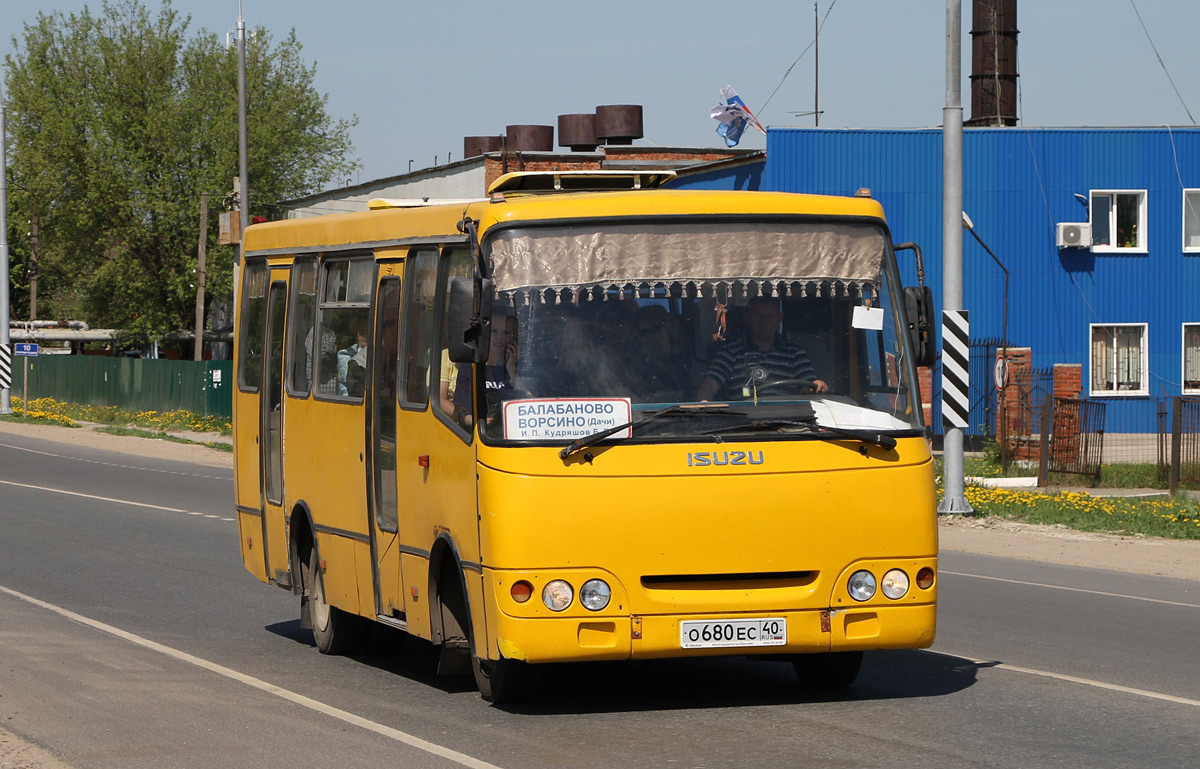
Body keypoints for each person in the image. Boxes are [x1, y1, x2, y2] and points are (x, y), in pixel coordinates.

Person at [697, 296, 828, 401]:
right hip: (741, 426)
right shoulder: (730, 353)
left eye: (770, 316)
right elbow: (710, 384)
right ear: (748, 318)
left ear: (779, 318)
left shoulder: (795, 354)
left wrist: (817, 385)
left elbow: (809, 384)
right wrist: (704, 402)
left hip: (789, 424)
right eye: (758, 316)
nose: (764, 322)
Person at [454, 314, 519, 426]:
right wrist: (480, 423)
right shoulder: (471, 366)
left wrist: (512, 372)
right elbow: (461, 411)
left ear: (513, 338)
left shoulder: (520, 367)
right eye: (493, 331)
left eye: (506, 333)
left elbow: (530, 404)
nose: (499, 337)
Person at [336, 320, 368, 397]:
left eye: (367, 332)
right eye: (361, 332)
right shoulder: (345, 355)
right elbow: (347, 390)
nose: (364, 336)